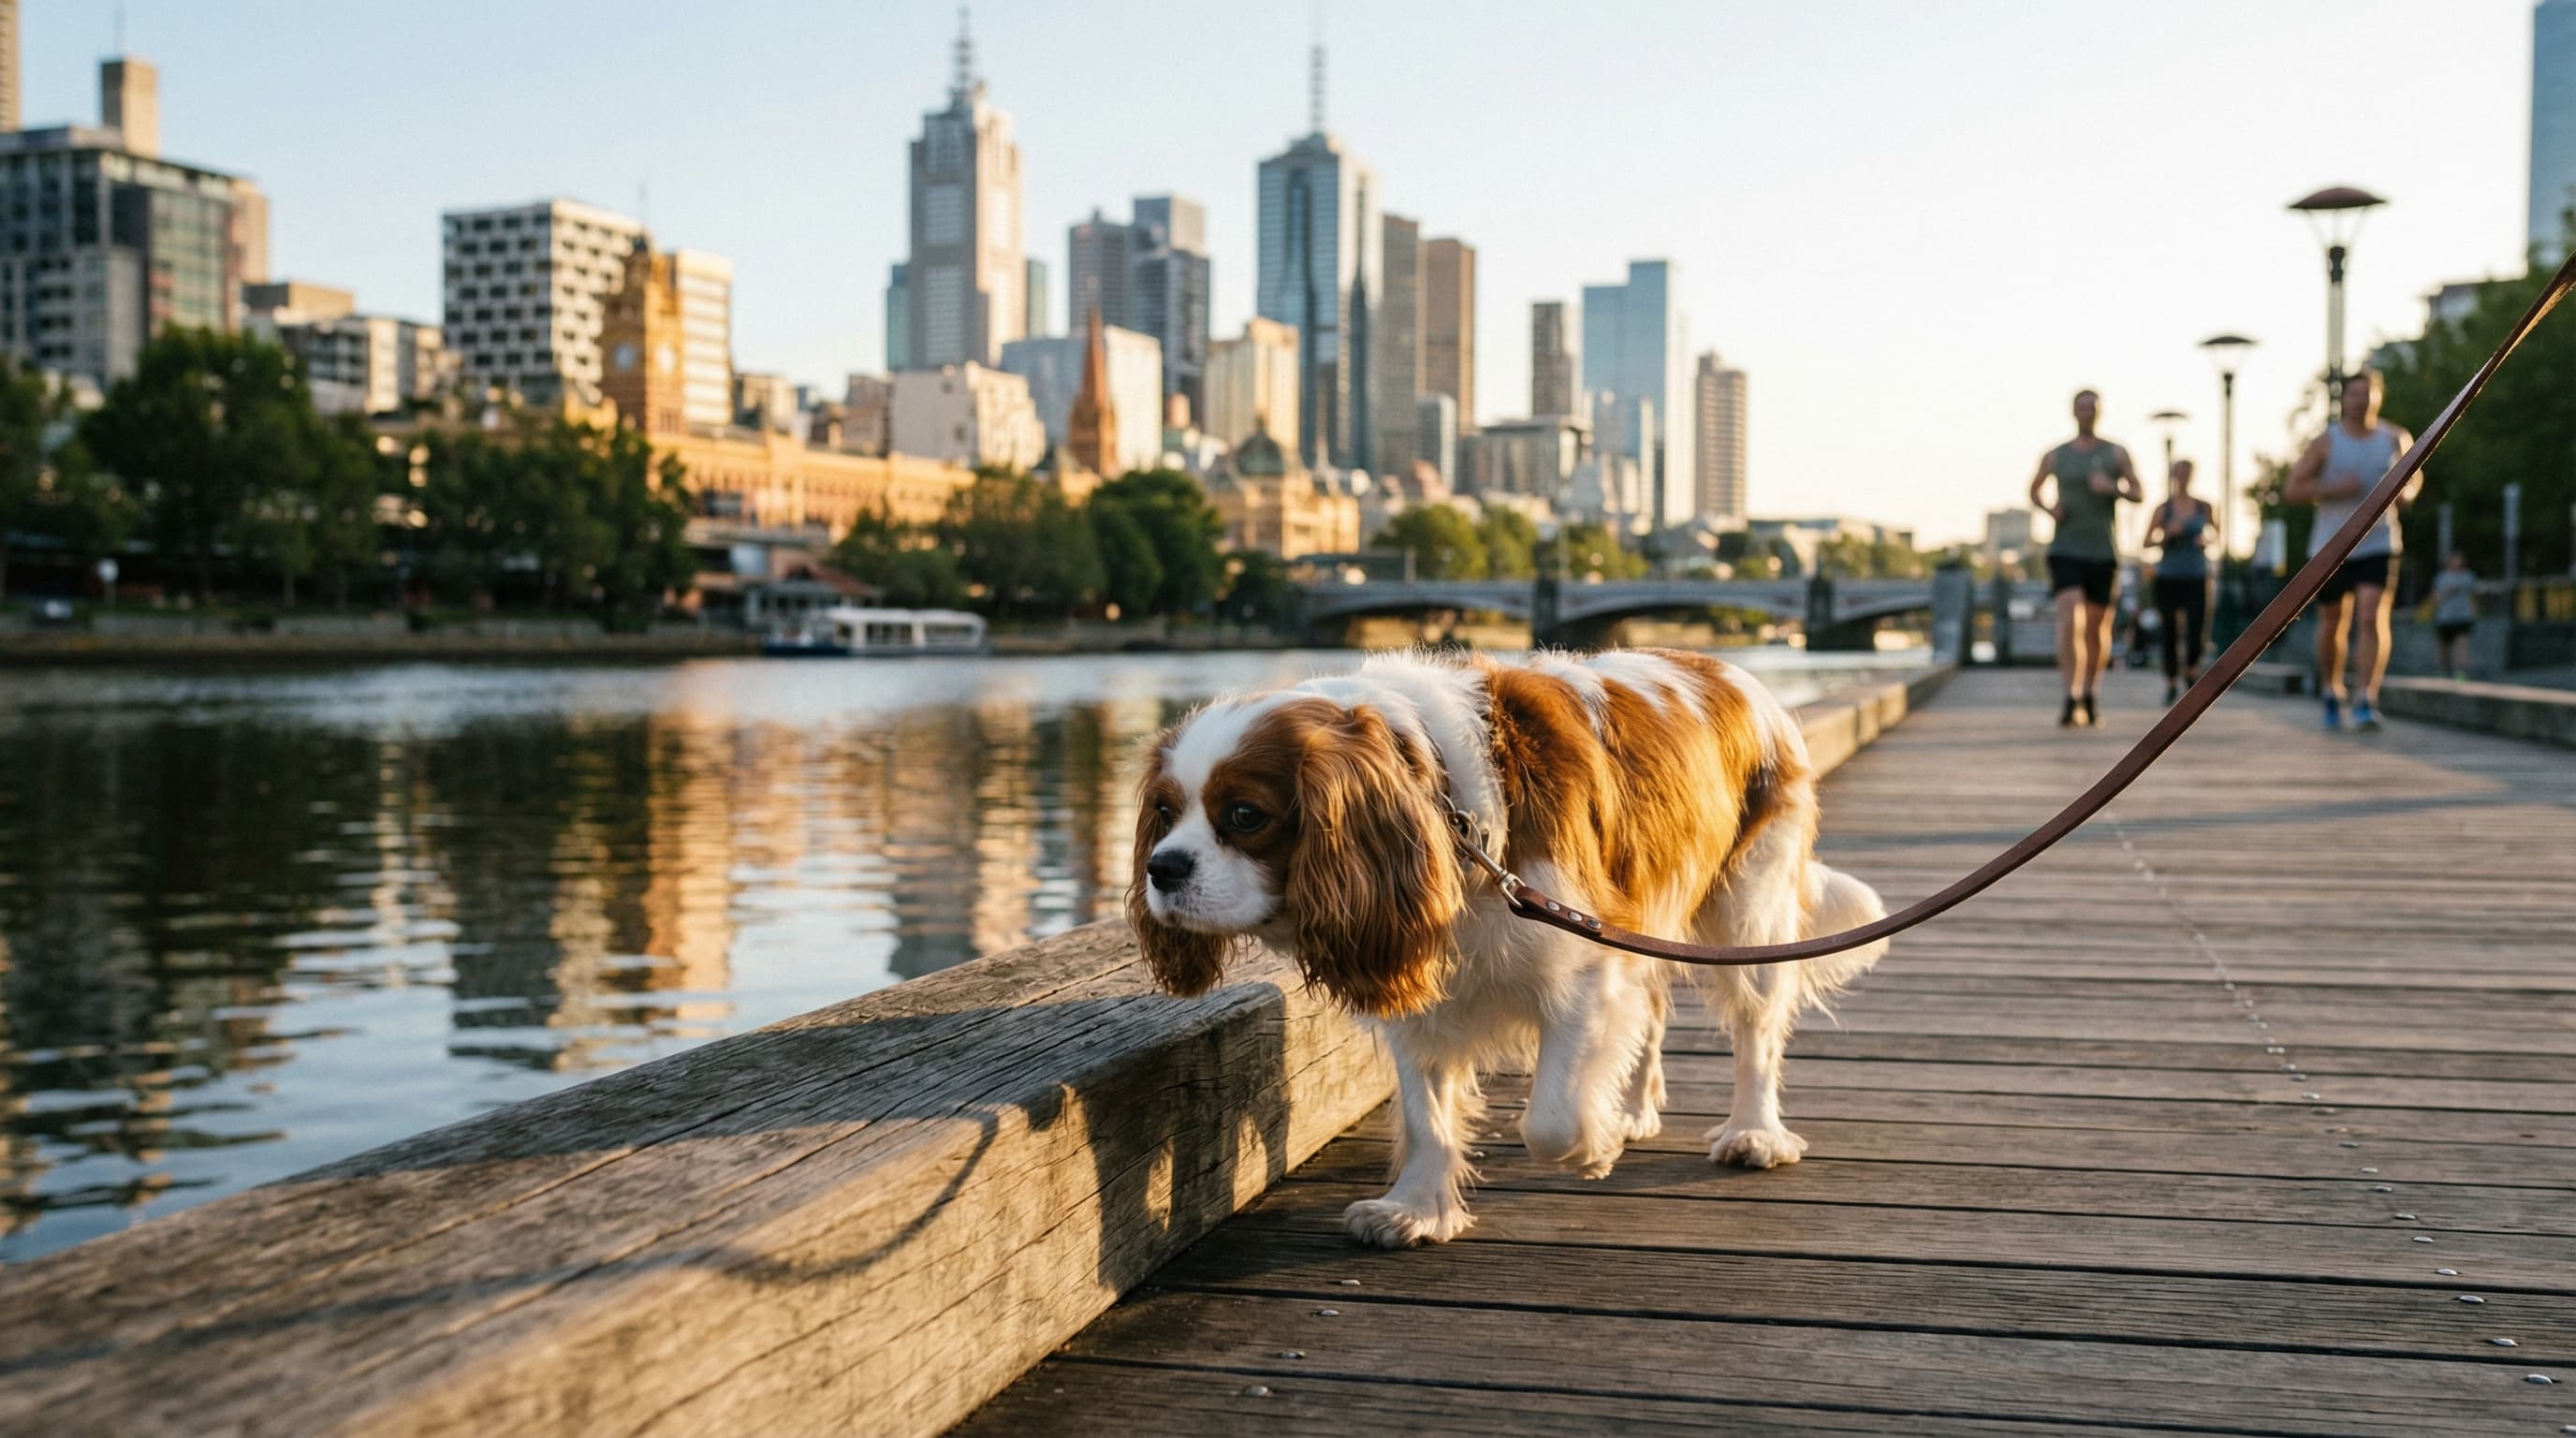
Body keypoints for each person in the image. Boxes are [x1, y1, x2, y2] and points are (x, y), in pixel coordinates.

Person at [2285, 370, 2422, 731]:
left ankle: (2366, 697)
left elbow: (2414, 475)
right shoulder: (2326, 442)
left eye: (2368, 394)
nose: (2361, 401)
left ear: (2378, 397)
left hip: (2379, 540)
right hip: (2332, 543)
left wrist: (2407, 494)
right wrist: (2332, 489)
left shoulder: (2394, 438)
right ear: (2344, 399)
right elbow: (2293, 488)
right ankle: (2331, 688)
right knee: (2333, 620)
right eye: (2354, 394)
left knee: (2370, 616)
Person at [2028, 389, 2143, 726]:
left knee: (2096, 628)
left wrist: (2113, 488)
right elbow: (2033, 489)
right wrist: (2050, 509)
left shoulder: (2116, 453)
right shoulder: (2056, 455)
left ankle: (2091, 693)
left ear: (2099, 412)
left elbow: (2139, 492)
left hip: (2103, 551)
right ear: (2072, 412)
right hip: (2065, 548)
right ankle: (2070, 695)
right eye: (2080, 408)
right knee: (2069, 615)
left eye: (2091, 408)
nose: (2086, 413)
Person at [2143, 459, 2217, 704]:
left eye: (2187, 473)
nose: (2183, 477)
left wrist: (2205, 541)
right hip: (2168, 577)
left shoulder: (2203, 507)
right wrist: (2166, 535)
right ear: (2173, 475)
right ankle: (2171, 682)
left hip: (2196, 575)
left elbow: (2216, 535)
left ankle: (2191, 671)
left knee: (2197, 630)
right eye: (2179, 473)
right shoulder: (2164, 509)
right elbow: (2146, 542)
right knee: (2170, 632)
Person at [2431, 550, 2477, 681]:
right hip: (2445, 617)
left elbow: (2473, 595)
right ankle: (2445, 671)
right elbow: (2435, 599)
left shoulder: (2468, 576)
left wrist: (2473, 611)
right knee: (2445, 646)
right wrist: (2448, 591)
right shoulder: (2441, 578)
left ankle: (2462, 672)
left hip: (2463, 616)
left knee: (2463, 644)